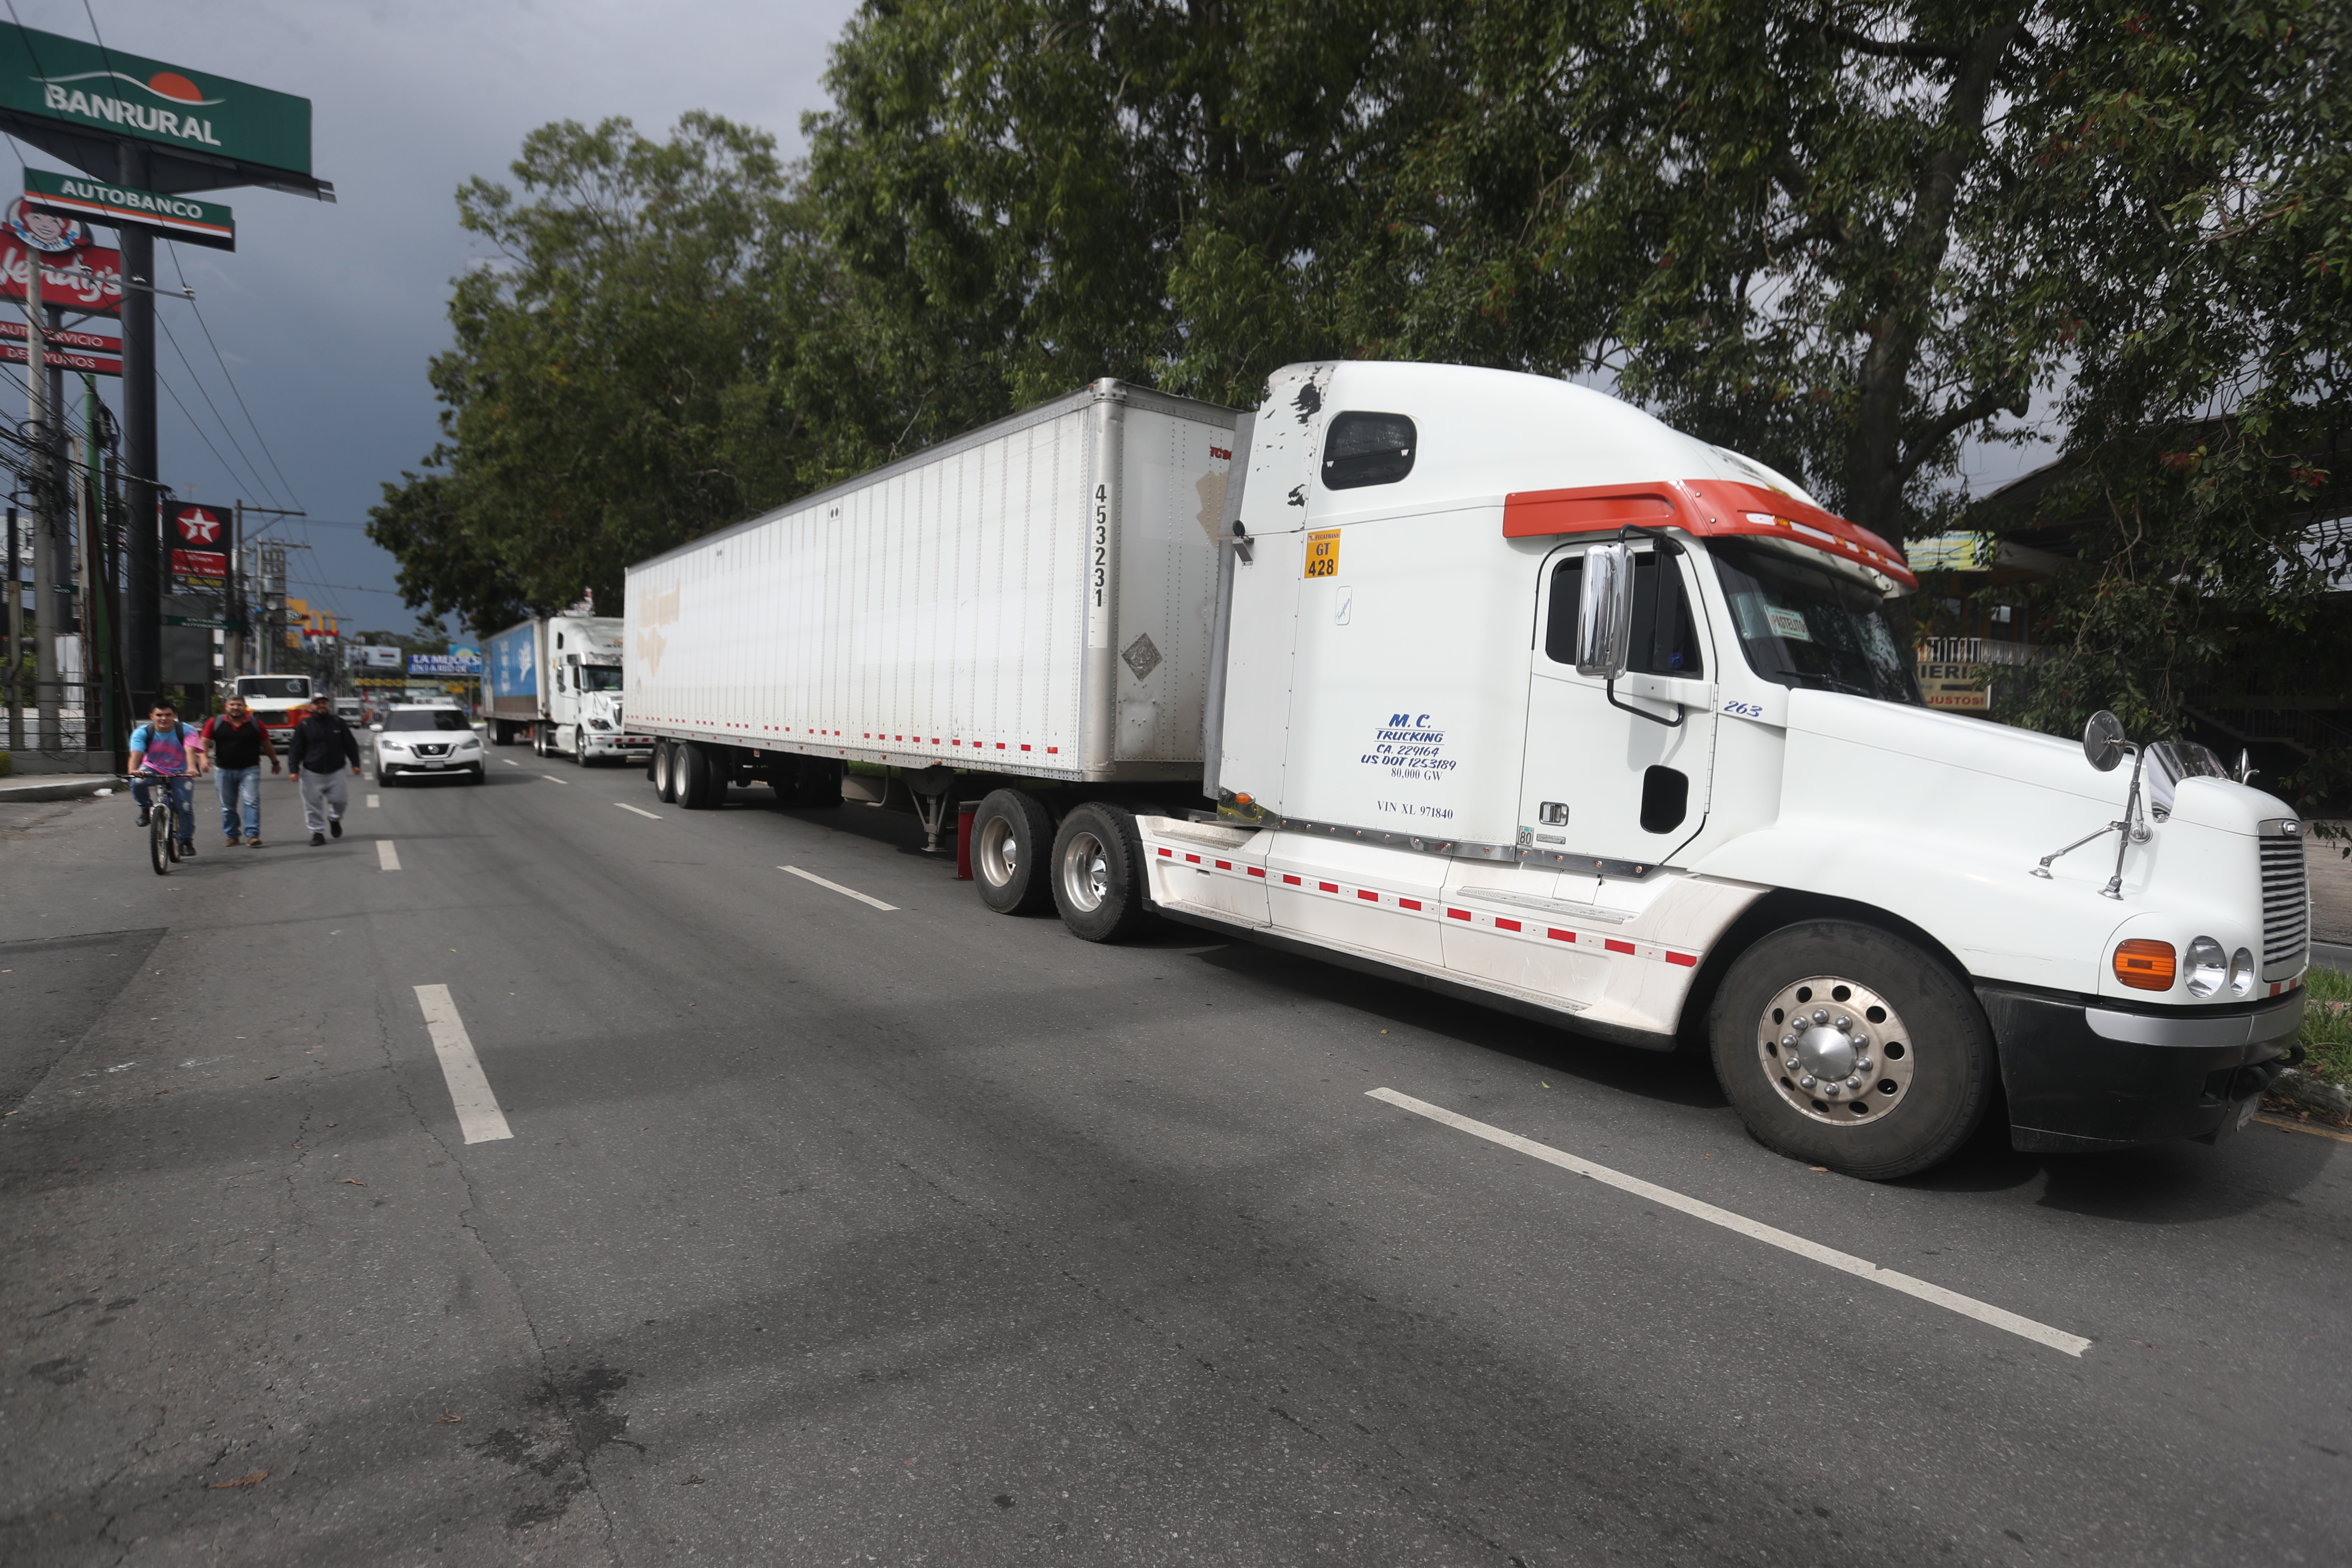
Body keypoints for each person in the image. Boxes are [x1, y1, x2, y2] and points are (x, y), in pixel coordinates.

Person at [200, 693, 282, 848]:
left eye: (239, 705)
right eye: (232, 705)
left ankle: (252, 835)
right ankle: (232, 836)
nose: (236, 708)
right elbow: (204, 742)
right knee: (227, 805)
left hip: (250, 770)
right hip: (224, 770)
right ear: (226, 707)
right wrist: (203, 760)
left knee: (251, 802)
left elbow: (266, 744)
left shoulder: (255, 723)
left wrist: (275, 762)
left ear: (245, 708)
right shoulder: (215, 723)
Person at [128, 700, 205, 857]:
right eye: (159, 715)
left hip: (181, 771)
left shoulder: (187, 730)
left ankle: (186, 841)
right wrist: (133, 770)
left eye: (168, 715)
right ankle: (145, 808)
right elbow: (136, 754)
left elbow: (190, 751)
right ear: (152, 716)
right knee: (137, 782)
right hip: (153, 767)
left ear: (175, 716)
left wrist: (191, 769)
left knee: (184, 806)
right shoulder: (142, 732)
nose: (164, 718)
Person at [286, 692, 363, 846]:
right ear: (311, 707)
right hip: (312, 772)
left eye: (324, 703)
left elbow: (350, 744)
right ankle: (317, 833)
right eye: (317, 703)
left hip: (336, 770)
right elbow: (296, 749)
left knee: (340, 801)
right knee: (312, 805)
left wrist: (356, 763)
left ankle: (335, 819)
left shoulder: (338, 722)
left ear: (328, 705)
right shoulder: (305, 725)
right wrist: (293, 770)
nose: (321, 706)